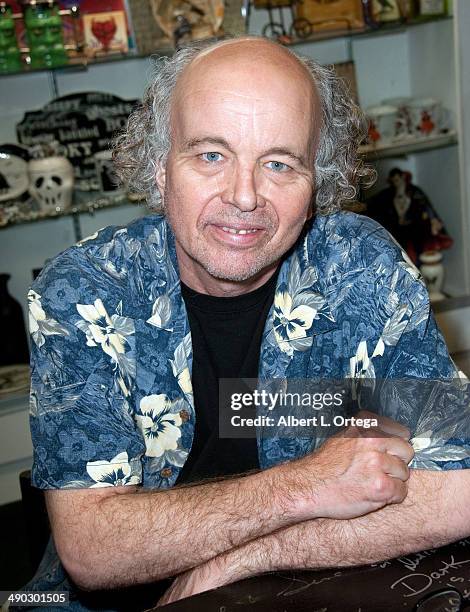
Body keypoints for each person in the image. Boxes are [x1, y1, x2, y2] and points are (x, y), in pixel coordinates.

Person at [20, 36, 469, 611]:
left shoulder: (360, 269)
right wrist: (305, 485)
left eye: (279, 164)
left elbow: (461, 482)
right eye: (211, 155)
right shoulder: (83, 291)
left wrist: (241, 560)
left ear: (316, 185)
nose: (245, 196)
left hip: (295, 587)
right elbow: (93, 549)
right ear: (160, 170)